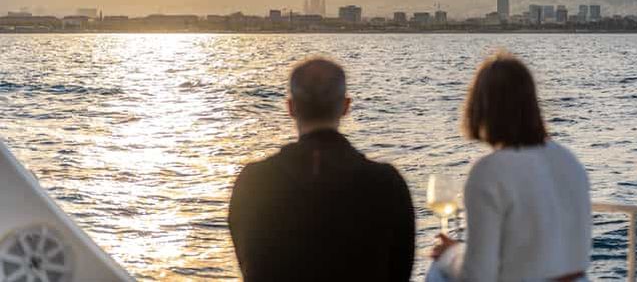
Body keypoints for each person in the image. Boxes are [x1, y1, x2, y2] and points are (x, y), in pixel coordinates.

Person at [229, 57, 415, 282]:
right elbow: (400, 271)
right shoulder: (386, 183)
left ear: (291, 107)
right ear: (346, 106)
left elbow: (249, 263)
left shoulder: (254, 182)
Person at [428, 53, 592, 282]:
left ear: (479, 108)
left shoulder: (488, 172)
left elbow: (478, 277)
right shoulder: (568, 161)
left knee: (437, 272)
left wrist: (448, 256)